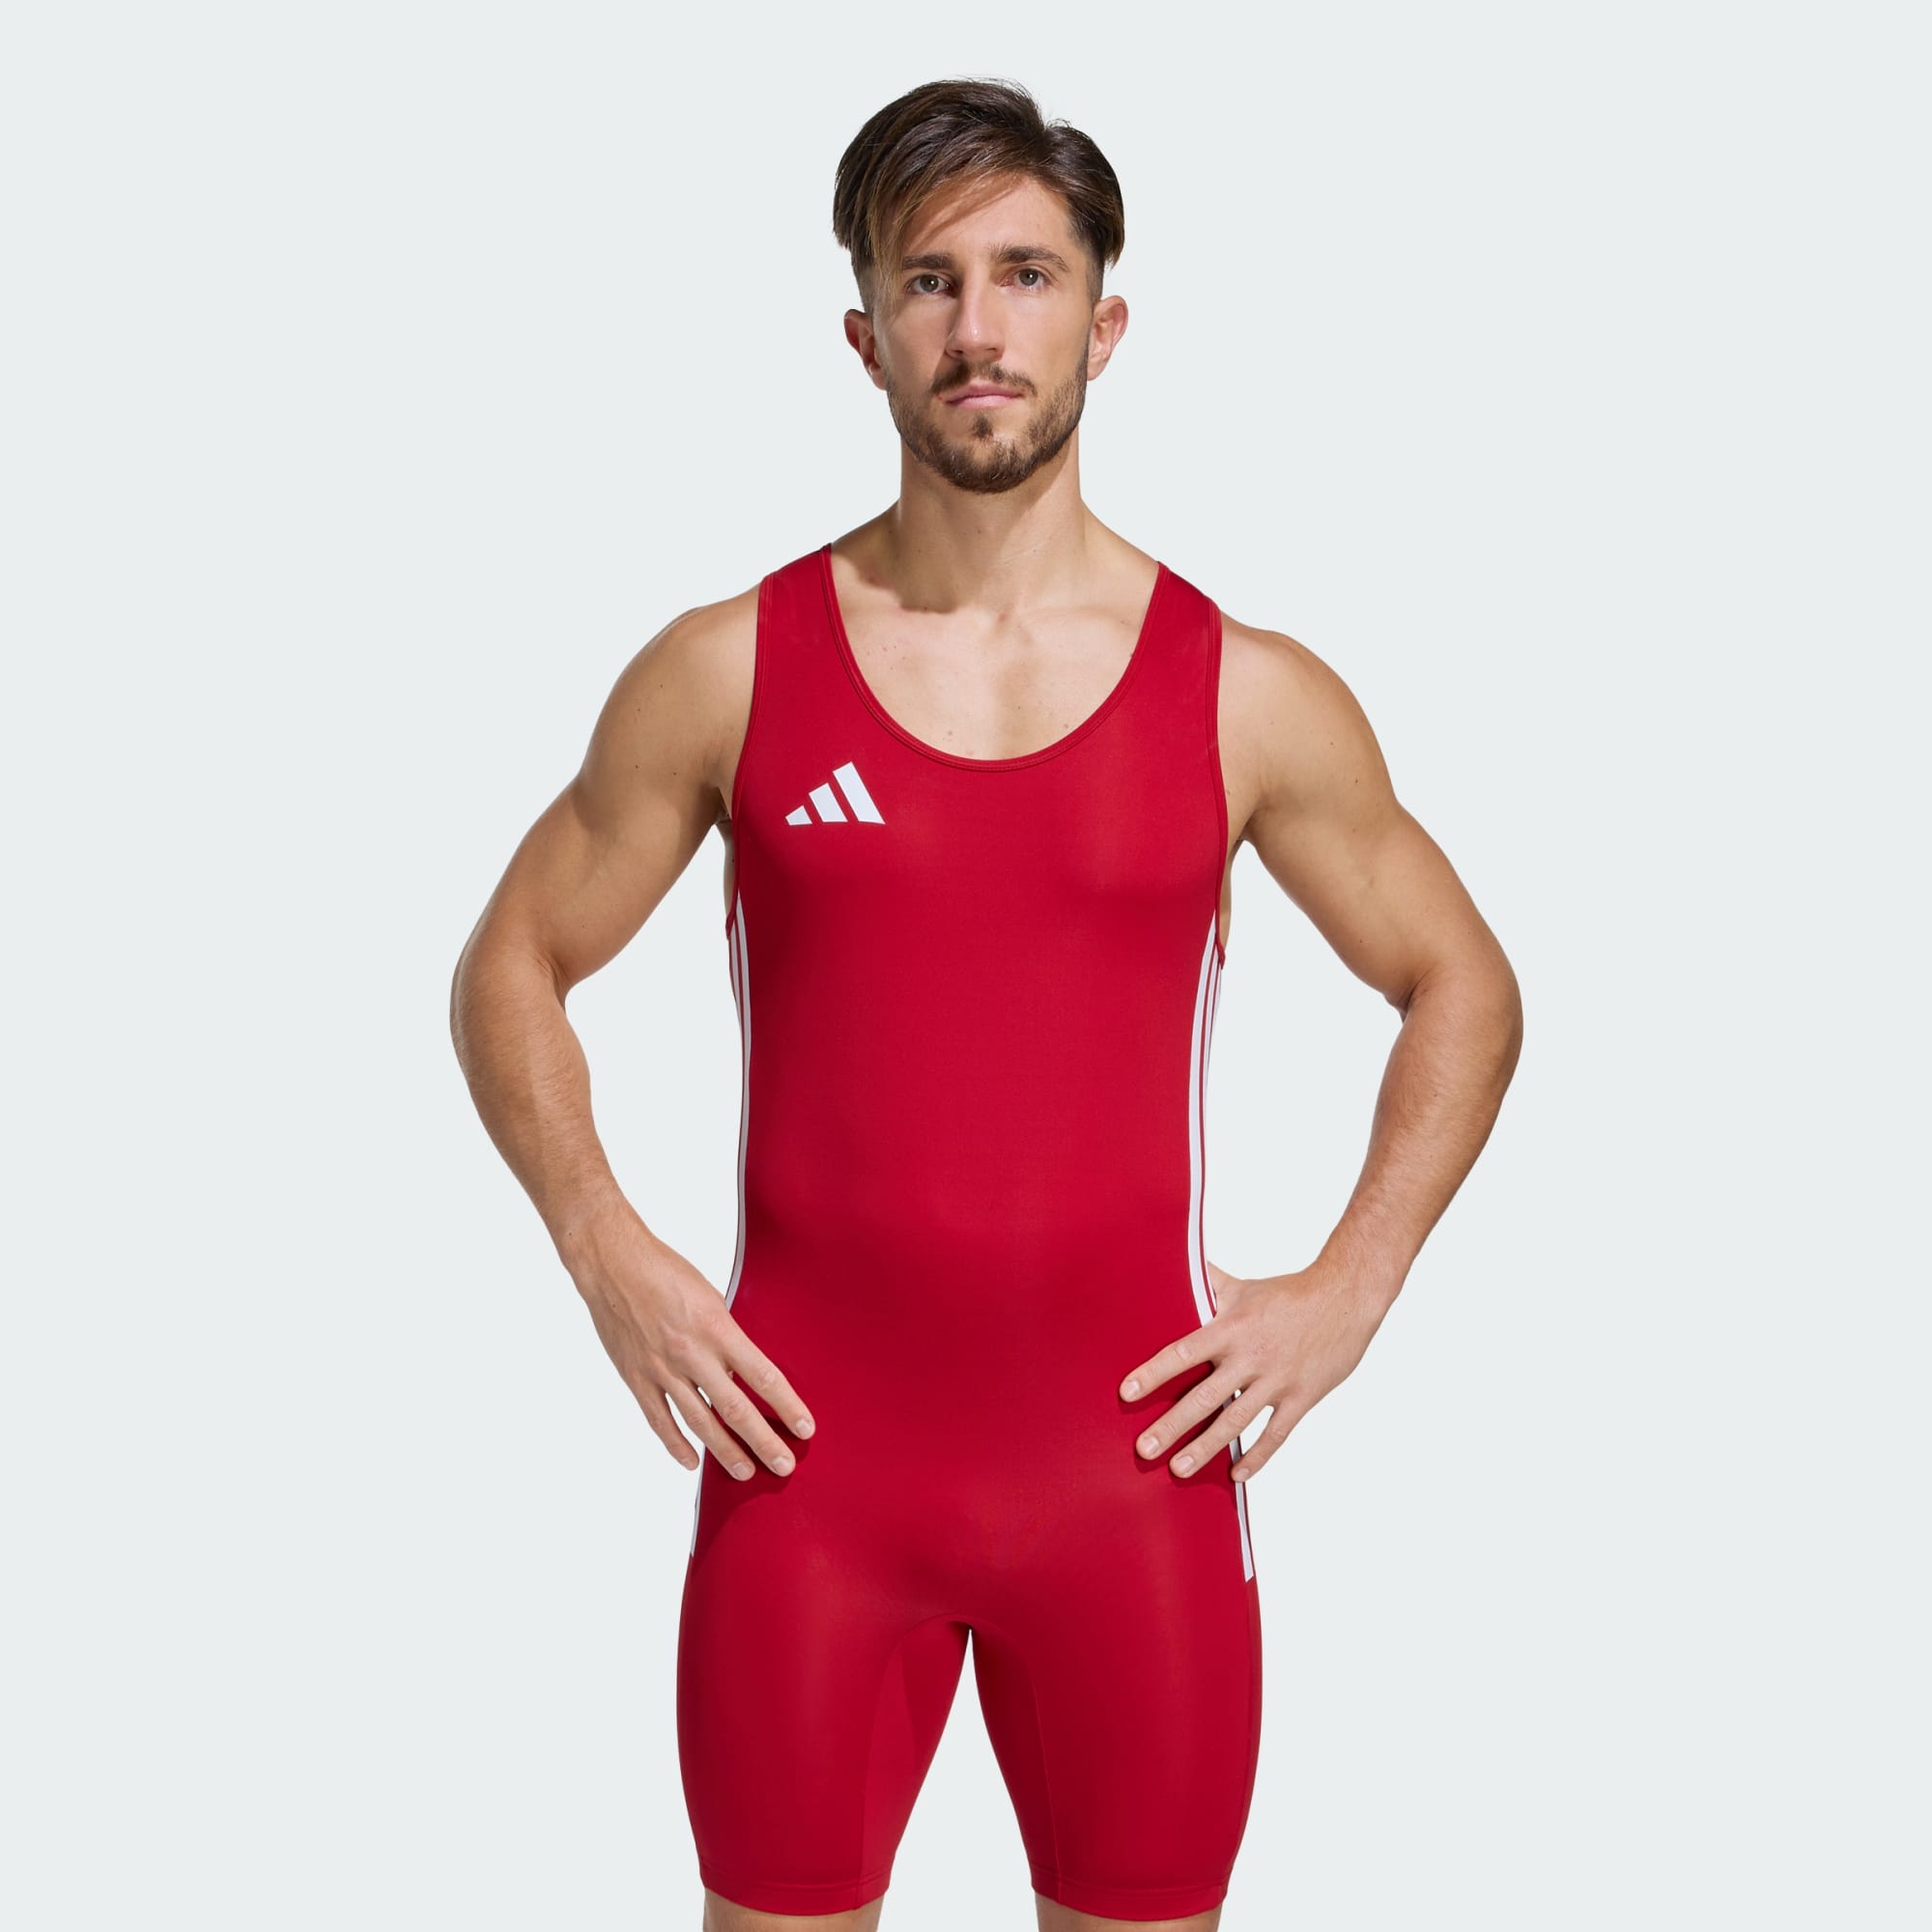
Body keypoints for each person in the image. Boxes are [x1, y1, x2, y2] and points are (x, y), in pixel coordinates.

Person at [450, 74, 1522, 1932]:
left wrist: (1352, 1285)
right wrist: (603, 1246)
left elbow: (1462, 984)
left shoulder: (1244, 693)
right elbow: (512, 962)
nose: (979, 328)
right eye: (929, 280)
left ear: (1105, 324)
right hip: (809, 1487)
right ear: (864, 335)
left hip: (1133, 1489)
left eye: (1027, 275)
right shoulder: (728, 670)